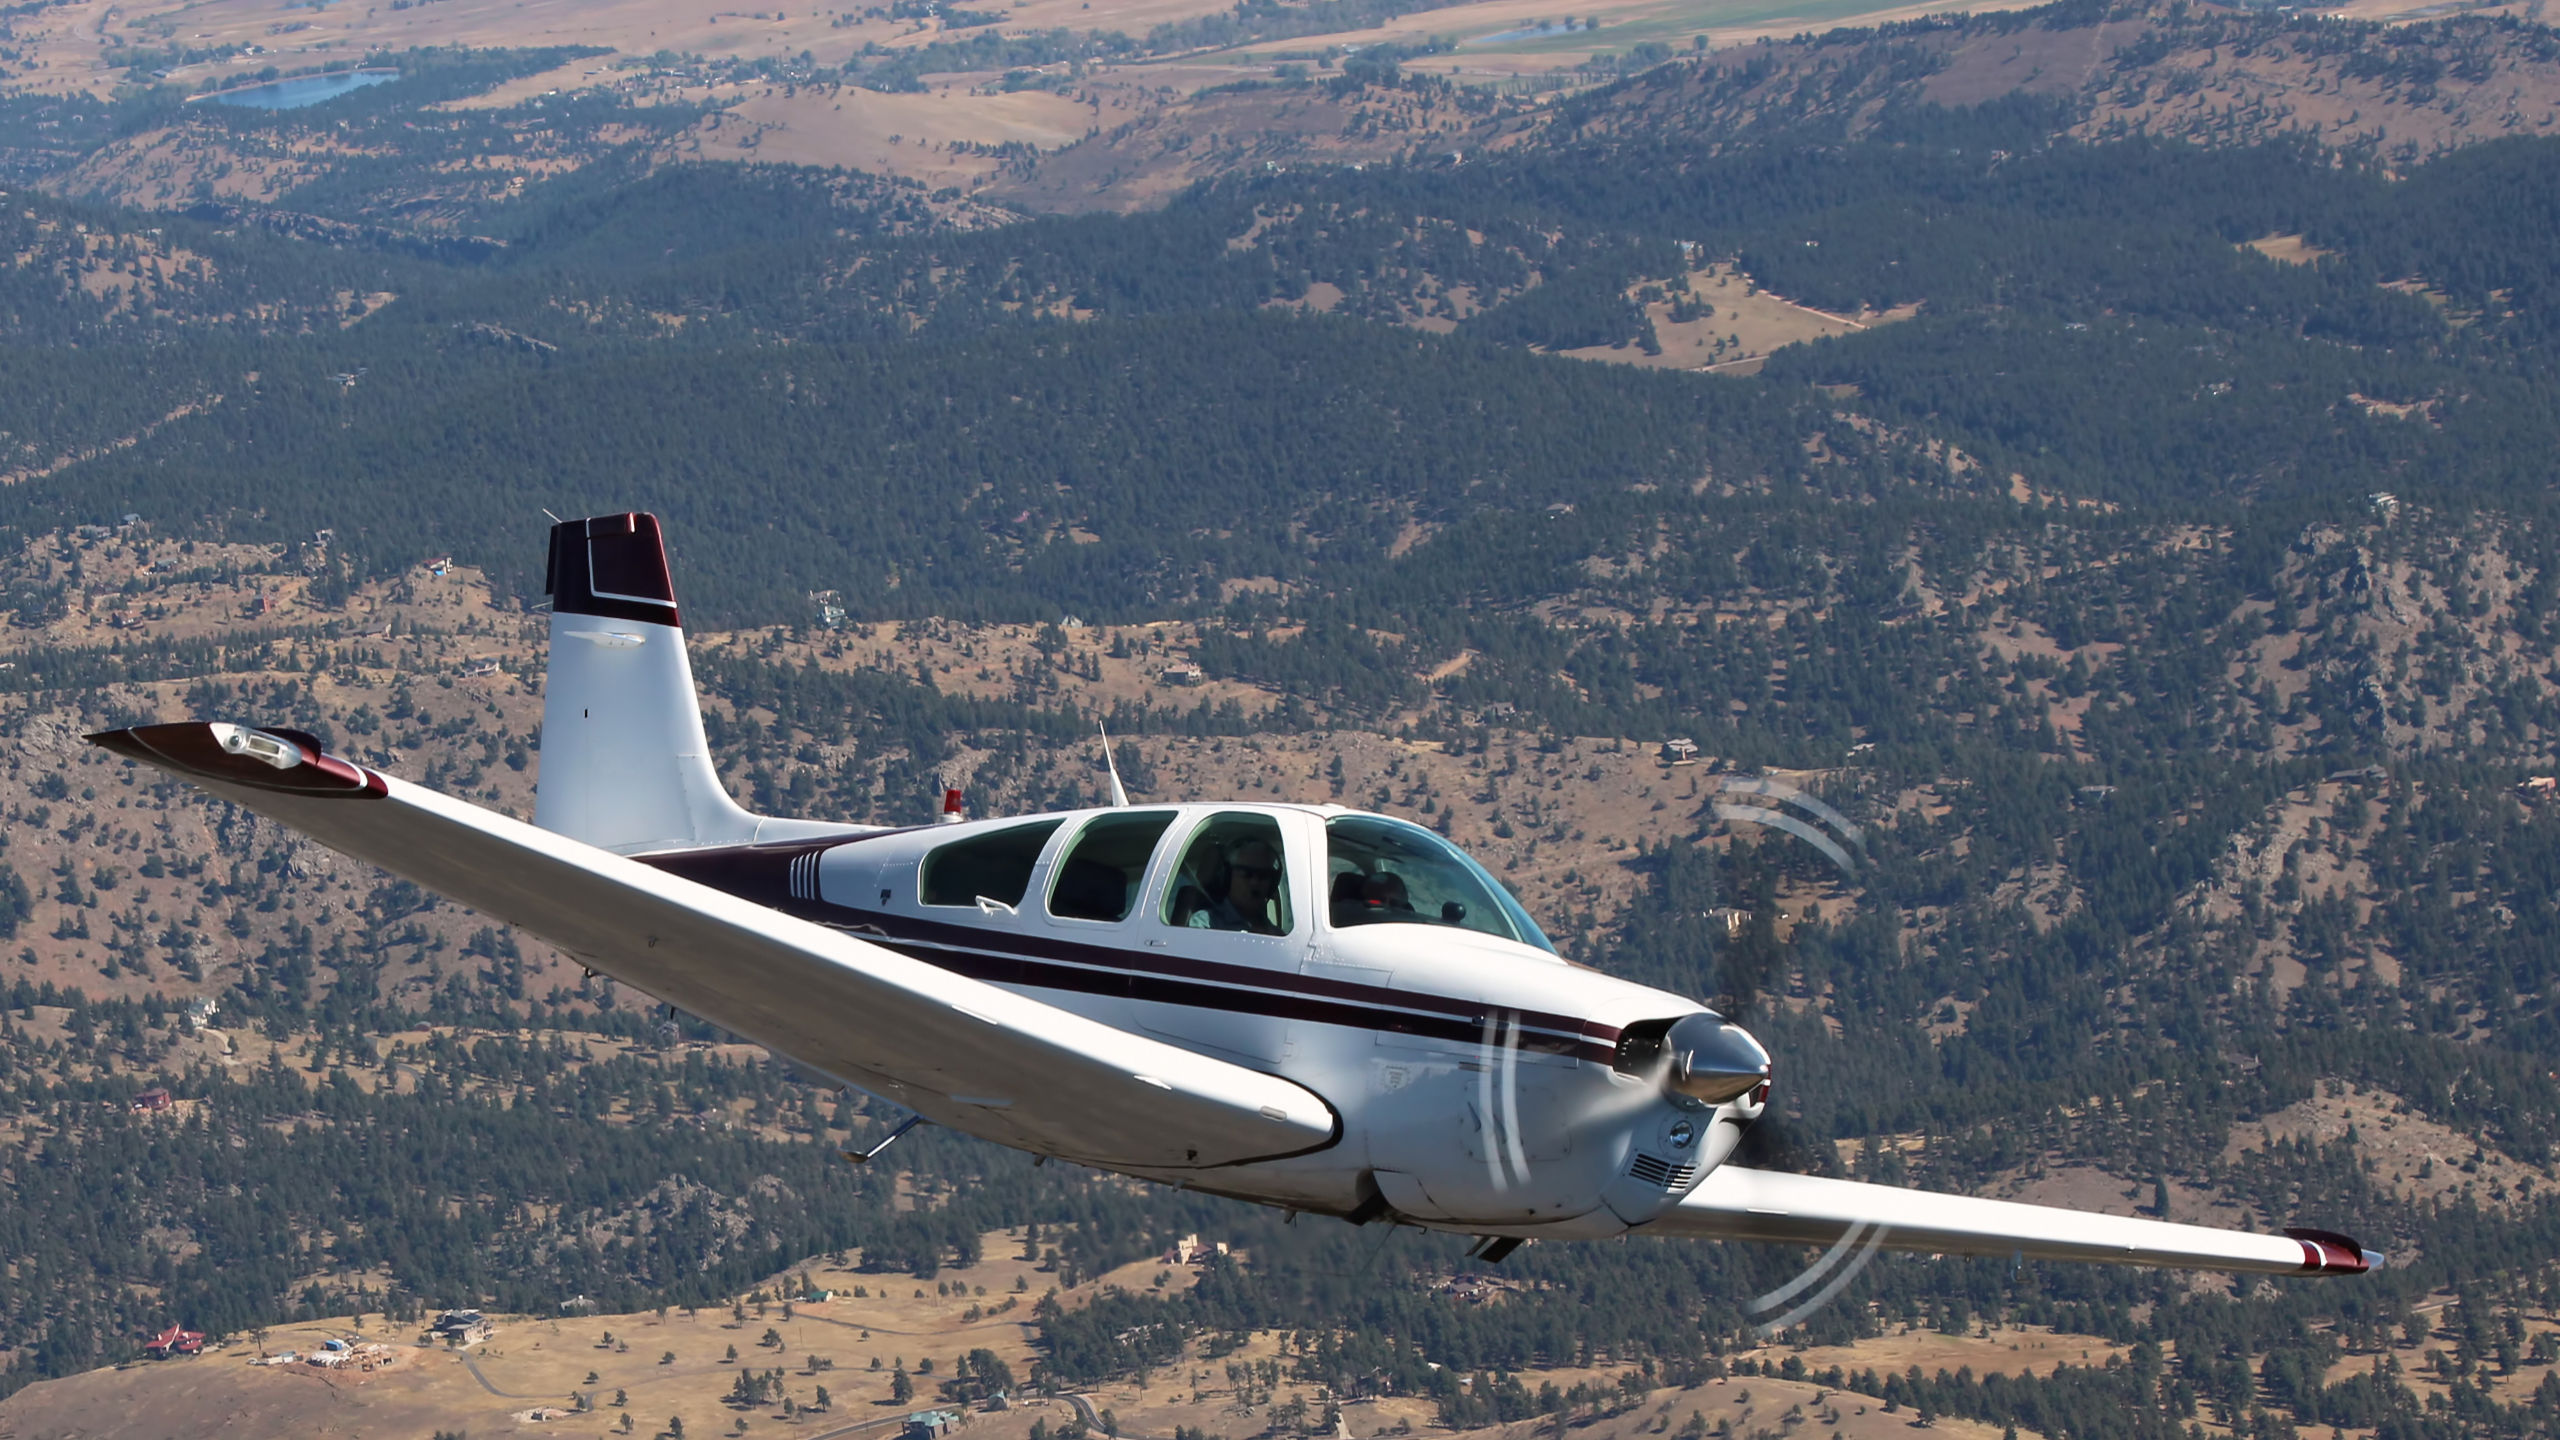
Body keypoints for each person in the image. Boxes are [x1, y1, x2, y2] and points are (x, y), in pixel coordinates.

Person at [1174, 837, 1286, 934]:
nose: (1255, 882)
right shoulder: (1204, 924)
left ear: (1272, 885)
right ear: (1227, 877)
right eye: (1247, 874)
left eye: (1263, 875)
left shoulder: (1278, 937)